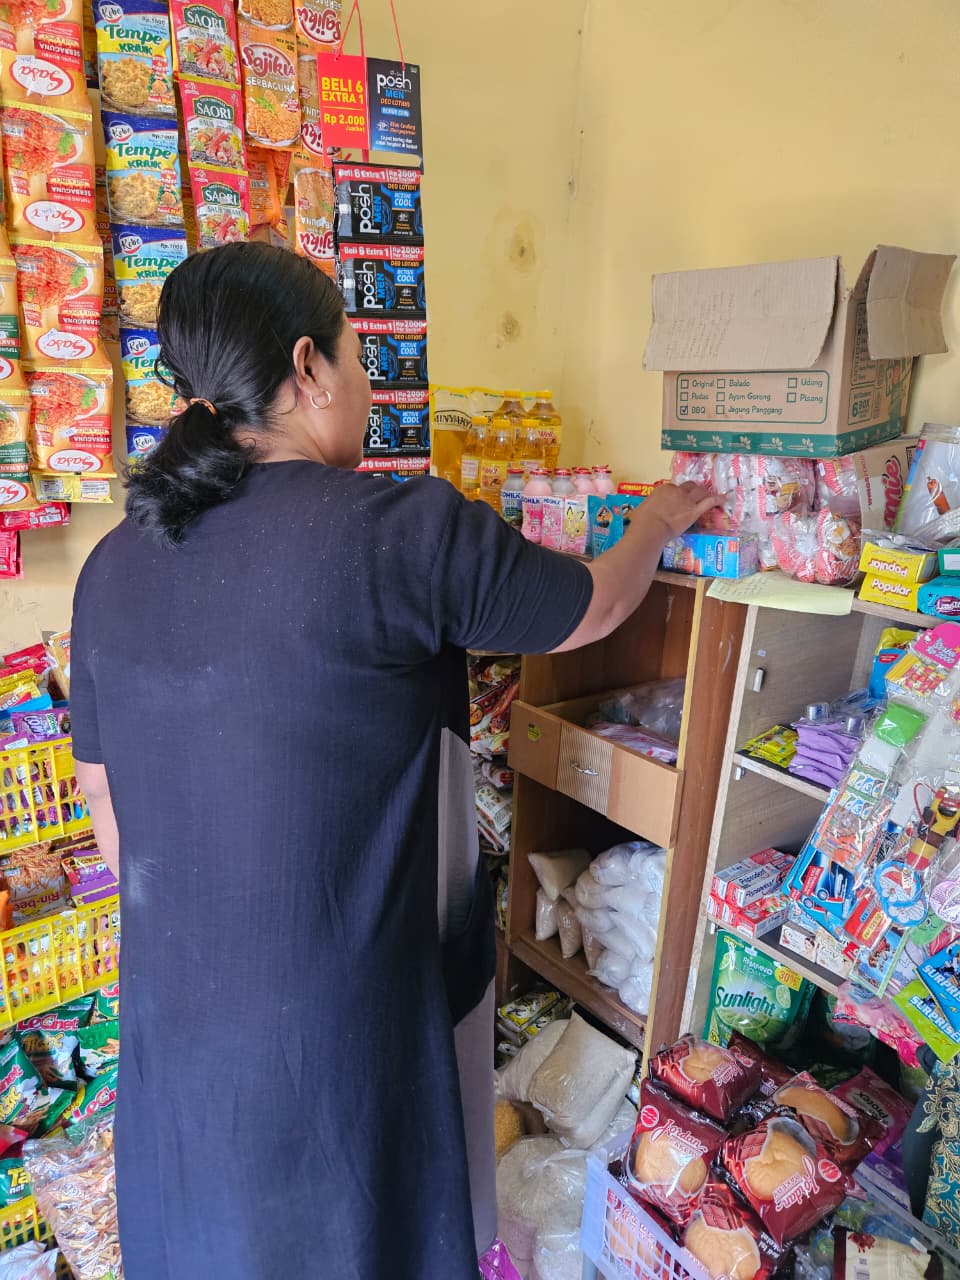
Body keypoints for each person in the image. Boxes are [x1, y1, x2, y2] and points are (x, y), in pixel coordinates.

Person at [71, 242, 719, 1280]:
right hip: (342, 1029)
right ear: (308, 368)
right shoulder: (396, 531)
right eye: (357, 356)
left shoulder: (113, 563)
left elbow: (111, 813)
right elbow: (592, 605)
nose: (366, 385)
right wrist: (652, 522)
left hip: (179, 1031)